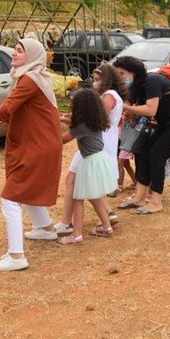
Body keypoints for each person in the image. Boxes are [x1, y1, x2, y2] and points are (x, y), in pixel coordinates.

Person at [0, 38, 62, 272]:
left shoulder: (29, 79)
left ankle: (16, 256)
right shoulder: (29, 77)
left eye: (20, 51)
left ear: (33, 55)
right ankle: (46, 228)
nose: (14, 54)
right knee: (23, 188)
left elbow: (6, 109)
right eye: (15, 50)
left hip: (38, 145)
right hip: (36, 142)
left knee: (11, 196)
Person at [113, 55, 170, 215]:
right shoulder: (137, 86)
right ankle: (138, 198)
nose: (120, 78)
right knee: (145, 152)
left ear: (133, 72)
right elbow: (130, 103)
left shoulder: (152, 80)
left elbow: (150, 110)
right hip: (167, 123)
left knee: (157, 154)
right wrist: (127, 109)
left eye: (122, 74)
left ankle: (156, 201)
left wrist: (127, 110)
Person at [53, 63, 124, 236]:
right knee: (93, 192)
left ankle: (73, 231)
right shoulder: (94, 122)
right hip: (100, 152)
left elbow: (64, 139)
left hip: (92, 156)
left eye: (98, 79)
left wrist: (54, 127)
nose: (95, 82)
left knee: (78, 193)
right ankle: (107, 220)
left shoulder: (107, 98)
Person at [58, 89, 118, 244]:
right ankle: (107, 227)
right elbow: (77, 126)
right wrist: (65, 121)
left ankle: (76, 235)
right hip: (100, 159)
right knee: (95, 197)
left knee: (78, 199)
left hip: (89, 163)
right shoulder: (95, 121)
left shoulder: (80, 127)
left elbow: (63, 140)